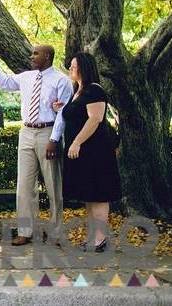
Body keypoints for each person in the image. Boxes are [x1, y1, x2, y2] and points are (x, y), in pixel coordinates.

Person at [0, 44, 72, 246]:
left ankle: (56, 232)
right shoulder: (26, 76)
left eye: (36, 53)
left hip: (48, 132)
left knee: (53, 185)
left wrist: (54, 139)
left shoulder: (61, 80)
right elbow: (3, 83)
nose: (31, 56)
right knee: (24, 186)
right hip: (26, 132)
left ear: (48, 56)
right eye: (32, 53)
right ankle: (26, 231)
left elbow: (63, 113)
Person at [58, 53, 121, 252]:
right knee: (89, 193)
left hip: (96, 151)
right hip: (82, 153)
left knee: (100, 194)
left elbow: (95, 119)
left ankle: (100, 239)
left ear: (84, 68)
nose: (70, 69)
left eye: (74, 66)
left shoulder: (95, 90)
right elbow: (76, 114)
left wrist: (76, 143)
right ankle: (92, 236)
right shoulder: (78, 91)